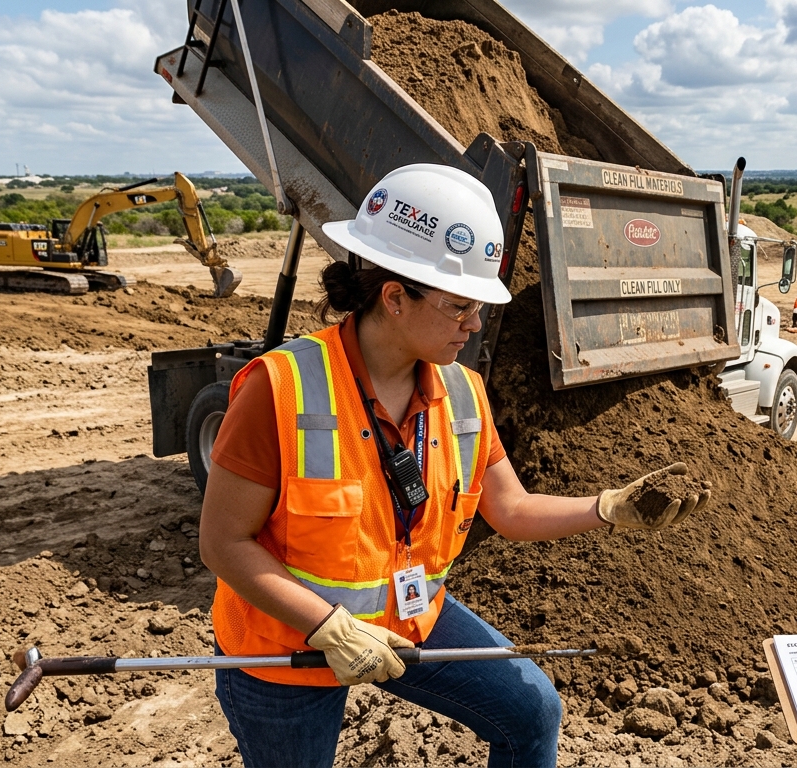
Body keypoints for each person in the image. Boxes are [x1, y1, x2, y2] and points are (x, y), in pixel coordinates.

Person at [199, 163, 711, 768]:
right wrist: (329, 627)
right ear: (394, 297)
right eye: (459, 307)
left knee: (533, 713)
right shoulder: (281, 388)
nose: (474, 325)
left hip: (411, 617)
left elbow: (510, 508)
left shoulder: (462, 392)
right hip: (286, 647)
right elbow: (224, 542)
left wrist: (608, 507)